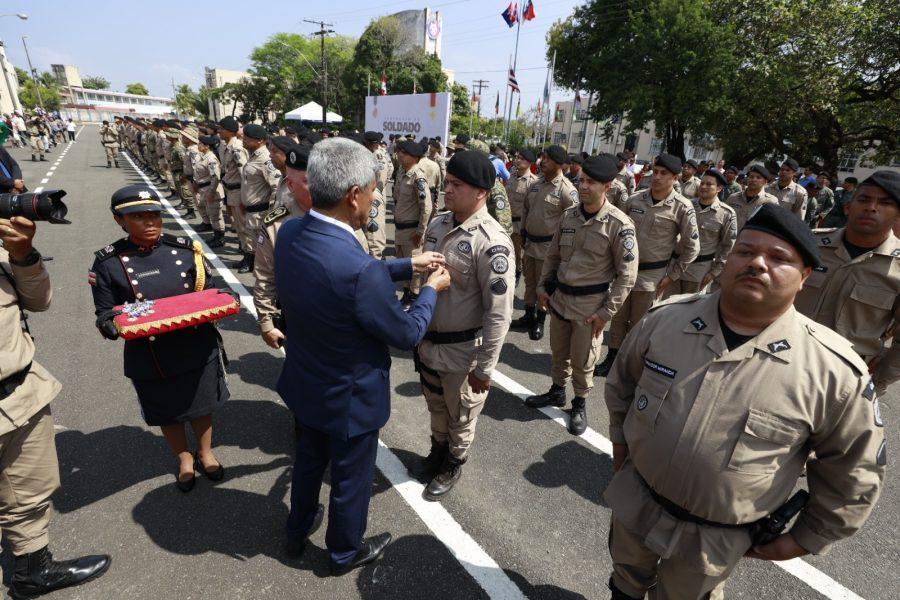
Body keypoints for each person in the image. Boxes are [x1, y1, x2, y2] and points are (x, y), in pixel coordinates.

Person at [604, 204, 885, 599]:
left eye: (778, 258)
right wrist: (620, 450)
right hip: (636, 501)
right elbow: (622, 387)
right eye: (745, 251)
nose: (757, 263)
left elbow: (855, 469)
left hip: (714, 539)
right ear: (728, 258)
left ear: (805, 276)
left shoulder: (833, 370)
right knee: (624, 582)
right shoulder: (665, 320)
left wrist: (804, 539)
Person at [275, 137, 450, 575]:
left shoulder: (292, 231)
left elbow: (343, 279)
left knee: (309, 461)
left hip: (305, 381)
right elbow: (406, 331)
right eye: (373, 191)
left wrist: (406, 265)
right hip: (348, 396)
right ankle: (342, 554)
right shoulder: (357, 268)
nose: (375, 199)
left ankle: (296, 533)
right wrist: (429, 290)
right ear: (354, 194)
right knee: (350, 480)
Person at [91, 185, 230, 494]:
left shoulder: (184, 249)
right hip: (150, 350)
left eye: (154, 215)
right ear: (119, 221)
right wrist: (110, 323)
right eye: (138, 217)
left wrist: (225, 297)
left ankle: (206, 452)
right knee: (167, 408)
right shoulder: (108, 262)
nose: (150, 222)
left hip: (195, 341)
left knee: (202, 402)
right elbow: (103, 310)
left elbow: (212, 286)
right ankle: (183, 457)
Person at [1, 214, 111, 599]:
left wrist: (23, 254)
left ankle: (33, 570)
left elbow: (38, 301)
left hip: (20, 394)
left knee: (28, 492)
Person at [412, 149, 515, 499]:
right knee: (435, 405)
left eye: (457, 185)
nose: (448, 190)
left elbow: (498, 314)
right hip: (429, 342)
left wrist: (485, 368)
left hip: (461, 351)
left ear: (480, 192)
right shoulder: (440, 223)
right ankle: (437, 451)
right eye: (448, 182)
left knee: (461, 413)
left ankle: (454, 461)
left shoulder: (493, 242)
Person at [523, 154, 638, 435]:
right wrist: (542, 287)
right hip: (560, 299)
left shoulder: (619, 225)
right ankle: (557, 391)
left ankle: (579, 402)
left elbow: (627, 276)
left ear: (607, 186)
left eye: (591, 182)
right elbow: (552, 255)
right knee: (559, 352)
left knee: (584, 359)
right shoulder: (569, 215)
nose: (583, 186)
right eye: (582, 180)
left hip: (590, 307)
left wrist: (605, 313)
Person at [795, 170, 900, 395]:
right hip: (783, 356)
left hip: (845, 379)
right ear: (848, 207)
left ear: (897, 215)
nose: (871, 207)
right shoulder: (810, 244)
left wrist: (876, 382)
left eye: (884, 203)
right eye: (863, 199)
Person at [595, 153, 700, 377]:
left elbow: (692, 247)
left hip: (653, 276)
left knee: (642, 325)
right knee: (619, 319)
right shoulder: (635, 200)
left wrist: (671, 276)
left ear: (675, 178)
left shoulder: (682, 207)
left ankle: (633, 365)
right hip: (624, 273)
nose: (657, 177)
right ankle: (612, 359)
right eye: (656, 172)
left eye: (664, 174)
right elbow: (617, 233)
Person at [511, 145, 578, 340]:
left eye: (547, 159)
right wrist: (523, 231)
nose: (542, 161)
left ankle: (539, 320)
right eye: (542, 158)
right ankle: (528, 315)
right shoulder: (536, 184)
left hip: (549, 248)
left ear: (558, 164)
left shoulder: (566, 190)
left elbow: (572, 223)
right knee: (530, 282)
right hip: (530, 243)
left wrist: (563, 251)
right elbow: (525, 209)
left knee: (544, 285)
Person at [254, 142, 311, 349]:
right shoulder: (276, 223)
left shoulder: (343, 213)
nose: (317, 186)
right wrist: (267, 322)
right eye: (307, 181)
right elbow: (264, 273)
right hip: (297, 318)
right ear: (290, 185)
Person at [668, 169, 738, 294]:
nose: (704, 187)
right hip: (675, 267)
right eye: (702, 183)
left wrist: (714, 272)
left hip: (699, 271)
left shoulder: (726, 214)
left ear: (719, 188)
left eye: (709, 184)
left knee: (691, 309)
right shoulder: (686, 206)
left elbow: (728, 246)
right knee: (666, 309)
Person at [392, 140, 434, 305]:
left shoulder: (418, 177)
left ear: (414, 157)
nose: (399, 154)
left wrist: (420, 232)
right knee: (403, 264)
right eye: (399, 151)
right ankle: (407, 294)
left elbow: (426, 207)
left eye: (404, 152)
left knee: (415, 268)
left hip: (411, 231)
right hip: (399, 228)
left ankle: (415, 297)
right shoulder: (402, 171)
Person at [235, 124, 280, 274]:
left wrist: (270, 214)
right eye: (244, 137)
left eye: (248, 139)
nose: (244, 140)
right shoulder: (252, 155)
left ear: (260, 140)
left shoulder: (265, 159)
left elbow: (276, 186)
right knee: (256, 248)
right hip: (251, 213)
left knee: (265, 254)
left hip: (261, 214)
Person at [506, 149, 538, 283]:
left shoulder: (533, 182)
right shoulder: (511, 176)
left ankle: (518, 272)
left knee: (519, 254)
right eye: (517, 157)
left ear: (529, 163)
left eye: (522, 159)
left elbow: (532, 208)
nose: (518, 160)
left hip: (520, 224)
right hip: (506, 221)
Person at [218, 116, 249, 252]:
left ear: (230, 131)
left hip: (238, 191)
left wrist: (244, 198)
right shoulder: (227, 146)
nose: (219, 132)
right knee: (238, 225)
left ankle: (249, 256)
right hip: (231, 190)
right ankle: (244, 250)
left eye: (222, 129)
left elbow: (244, 175)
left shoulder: (236, 148)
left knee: (243, 226)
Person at [724, 164, 779, 230]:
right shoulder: (733, 198)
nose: (753, 179)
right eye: (751, 176)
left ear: (765, 182)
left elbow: (772, 227)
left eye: (758, 177)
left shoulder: (771, 202)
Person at [195, 135, 226, 248]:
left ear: (206, 146)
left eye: (200, 144)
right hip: (206, 189)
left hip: (212, 190)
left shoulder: (211, 159)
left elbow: (216, 177)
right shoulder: (204, 157)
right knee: (212, 215)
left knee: (216, 216)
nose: (198, 145)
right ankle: (216, 235)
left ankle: (220, 239)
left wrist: (211, 192)